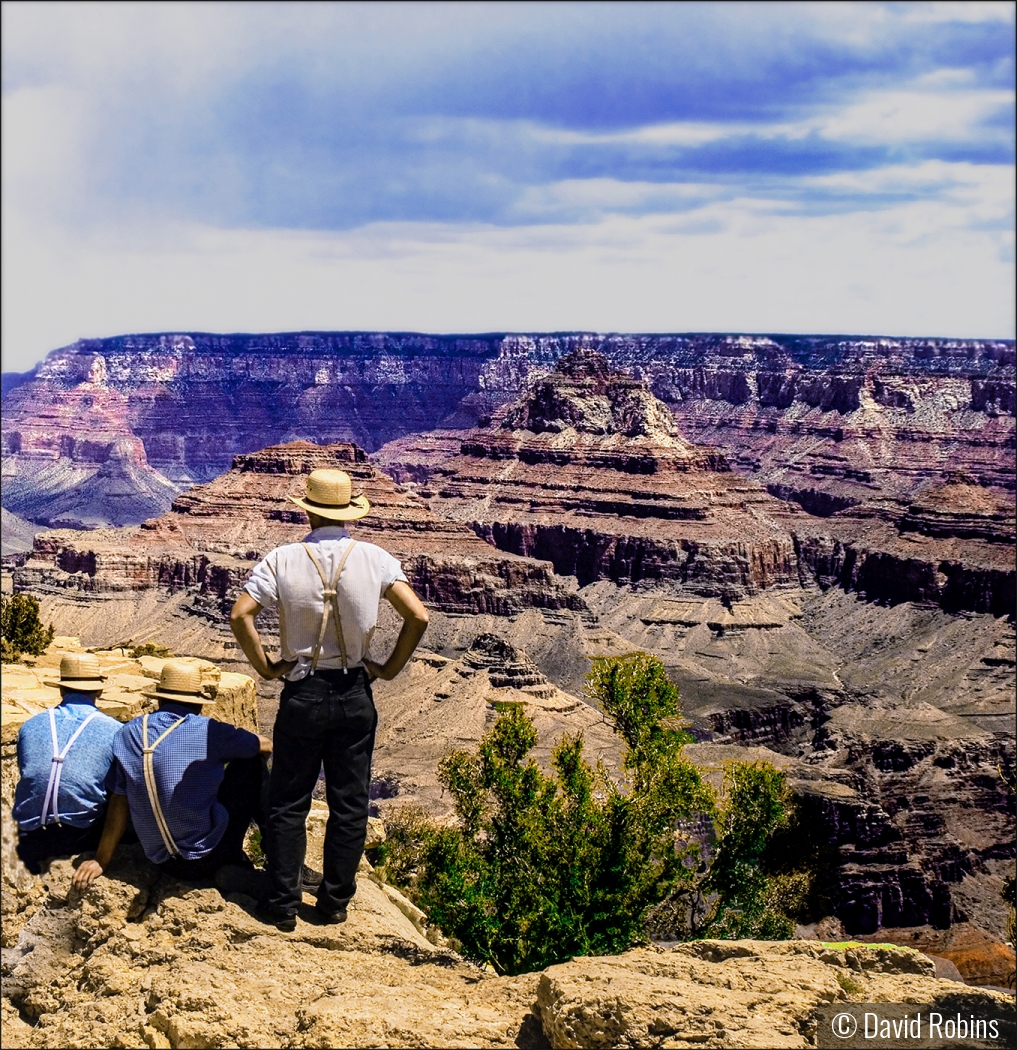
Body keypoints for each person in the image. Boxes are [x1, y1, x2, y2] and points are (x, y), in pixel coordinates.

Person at [230, 467, 429, 931]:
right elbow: (417, 616)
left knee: (287, 802)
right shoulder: (376, 559)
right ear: (349, 513)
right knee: (350, 803)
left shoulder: (282, 559)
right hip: (354, 692)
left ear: (309, 509)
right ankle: (335, 903)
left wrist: (265, 667)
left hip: (302, 692)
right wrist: (389, 667)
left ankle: (281, 905)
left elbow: (241, 614)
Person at [72, 659, 273, 892]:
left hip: (163, 862)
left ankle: (234, 864)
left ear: (159, 698)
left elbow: (119, 801)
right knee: (252, 765)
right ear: (197, 703)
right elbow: (265, 746)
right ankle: (279, 864)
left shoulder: (127, 733)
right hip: (210, 853)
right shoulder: (209, 730)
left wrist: (101, 860)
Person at [13, 653, 125, 875]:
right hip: (76, 837)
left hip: (28, 837)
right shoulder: (115, 731)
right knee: (123, 792)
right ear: (100, 691)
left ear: (61, 689)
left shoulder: (30, 726)